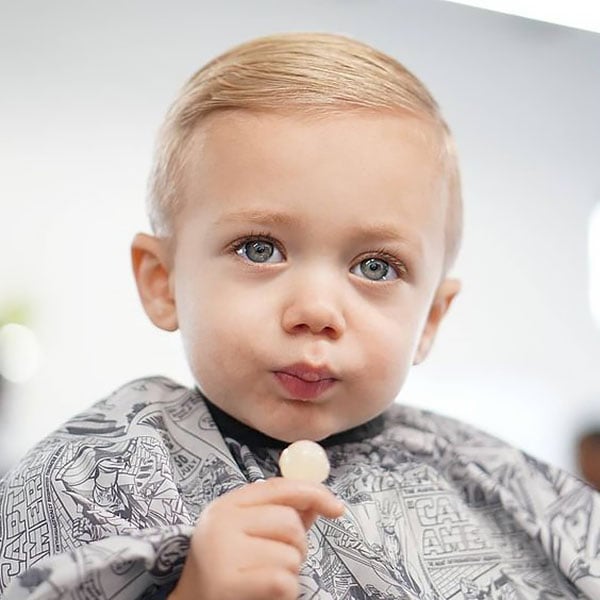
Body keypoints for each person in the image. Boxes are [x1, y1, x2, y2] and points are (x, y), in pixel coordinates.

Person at [0, 32, 598, 600]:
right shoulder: (97, 471)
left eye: (376, 266)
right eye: (260, 249)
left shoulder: (489, 483)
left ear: (433, 318)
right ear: (164, 283)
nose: (315, 311)